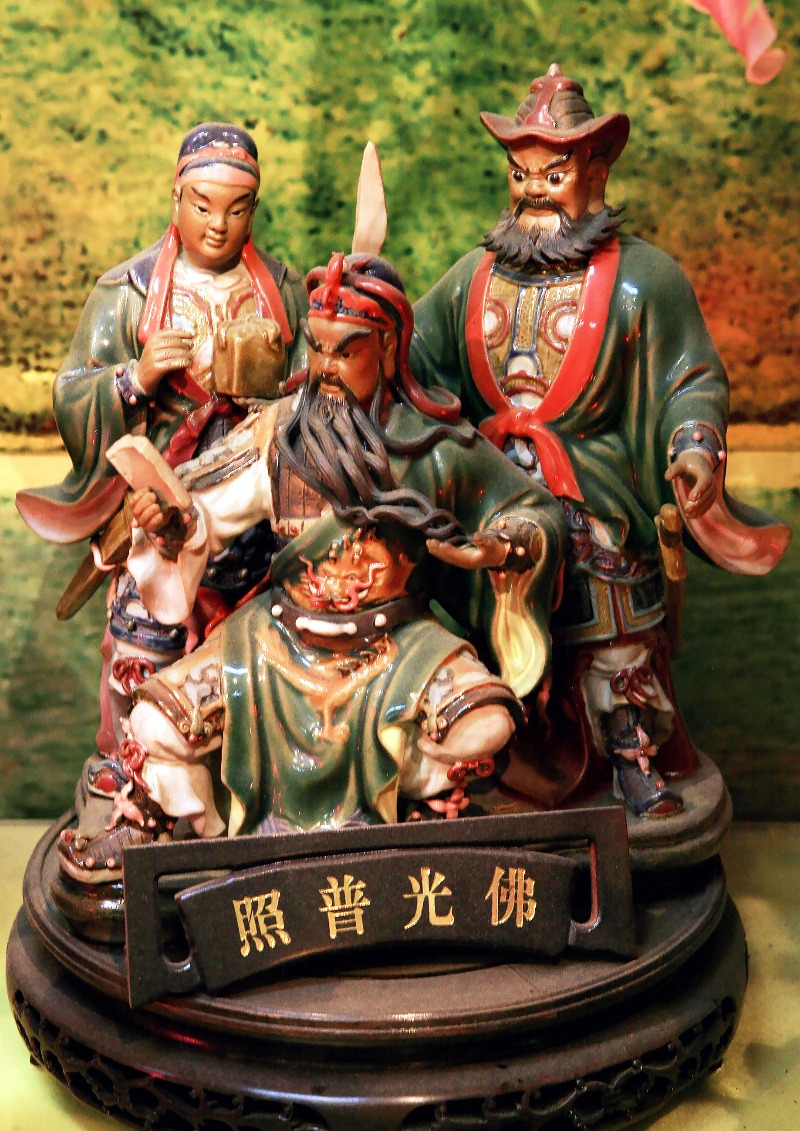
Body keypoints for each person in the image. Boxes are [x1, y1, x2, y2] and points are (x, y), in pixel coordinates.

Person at [58, 250, 565, 885]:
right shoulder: (277, 437)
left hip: (396, 650)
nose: (324, 368)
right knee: (156, 720)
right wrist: (170, 522)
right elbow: (205, 511)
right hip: (274, 648)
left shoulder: (436, 448)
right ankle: (158, 824)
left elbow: (529, 510)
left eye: (345, 352)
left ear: (388, 350)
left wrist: (500, 547)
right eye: (317, 349)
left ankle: (417, 804)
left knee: (485, 723)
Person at [409, 65, 790, 817]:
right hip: (497, 493)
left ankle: (630, 753)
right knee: (497, 632)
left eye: (553, 175)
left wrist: (692, 450)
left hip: (593, 495)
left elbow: (689, 380)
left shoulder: (645, 281)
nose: (534, 192)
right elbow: (413, 351)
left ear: (596, 170)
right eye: (520, 174)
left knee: (611, 634)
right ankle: (500, 753)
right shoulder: (471, 278)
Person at [16, 123, 308, 822]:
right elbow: (71, 392)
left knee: (267, 647)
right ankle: (131, 780)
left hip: (255, 513)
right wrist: (136, 378)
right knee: (144, 643)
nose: (218, 224)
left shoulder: (283, 290)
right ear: (176, 197)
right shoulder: (127, 291)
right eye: (202, 205)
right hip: (158, 512)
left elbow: (311, 392)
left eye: (237, 209)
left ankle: (258, 784)